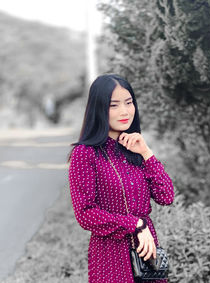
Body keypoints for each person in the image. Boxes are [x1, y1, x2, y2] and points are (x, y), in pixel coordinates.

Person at [67, 74, 175, 283]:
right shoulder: (85, 153)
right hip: (110, 255)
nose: (125, 111)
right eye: (114, 105)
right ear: (99, 109)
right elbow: (85, 214)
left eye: (128, 103)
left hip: (147, 253)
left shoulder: (134, 148)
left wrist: (146, 153)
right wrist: (136, 224)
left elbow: (166, 196)